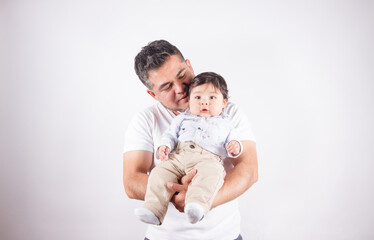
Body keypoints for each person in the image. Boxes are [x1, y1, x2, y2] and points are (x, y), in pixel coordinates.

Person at [123, 40, 258, 240]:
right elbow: (132, 181)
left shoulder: (228, 112)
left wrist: (201, 197)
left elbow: (249, 170)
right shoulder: (146, 119)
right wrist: (176, 192)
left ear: (189, 66)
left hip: (223, 236)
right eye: (167, 86)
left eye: (182, 75)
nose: (180, 88)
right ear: (153, 94)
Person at [135, 72, 243, 226]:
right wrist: (165, 146)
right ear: (189, 100)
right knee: (159, 173)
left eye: (212, 98)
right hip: (178, 157)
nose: (204, 103)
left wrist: (235, 147)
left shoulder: (226, 122)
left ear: (224, 102)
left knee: (213, 174)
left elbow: (234, 140)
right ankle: (153, 209)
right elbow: (170, 135)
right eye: (198, 98)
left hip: (208, 160)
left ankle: (197, 206)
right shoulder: (182, 118)